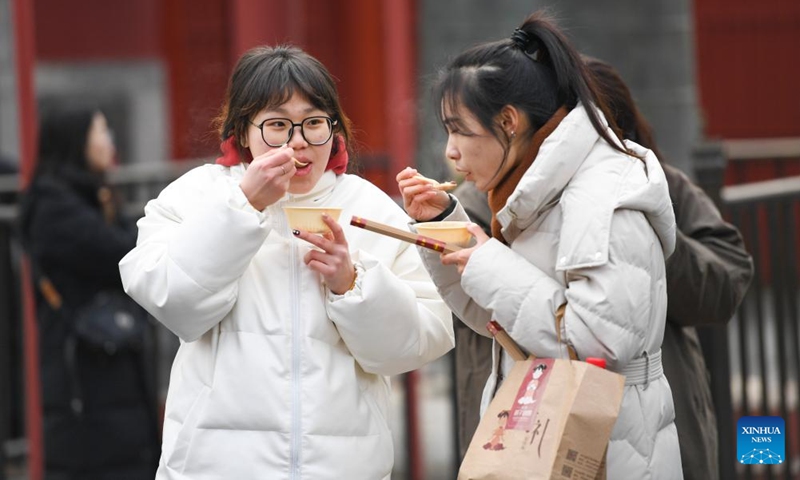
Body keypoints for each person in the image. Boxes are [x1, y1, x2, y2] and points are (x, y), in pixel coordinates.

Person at [118, 45, 454, 480]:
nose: (298, 141)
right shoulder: (196, 195)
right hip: (214, 466)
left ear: (334, 131)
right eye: (277, 125)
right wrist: (243, 207)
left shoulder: (368, 207)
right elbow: (174, 303)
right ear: (242, 132)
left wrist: (351, 284)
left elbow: (418, 341)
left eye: (314, 123)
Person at [397, 11, 682, 479]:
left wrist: (488, 261)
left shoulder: (603, 194)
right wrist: (444, 225)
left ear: (508, 121)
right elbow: (502, 321)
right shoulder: (535, 186)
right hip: (546, 431)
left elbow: (596, 341)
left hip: (611, 448)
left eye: (459, 130)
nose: (449, 151)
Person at [586, 57, 754, 480]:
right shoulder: (493, 207)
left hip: (663, 420)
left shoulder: (661, 188)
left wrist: (649, 240)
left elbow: (727, 284)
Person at [19, 103, 160, 479]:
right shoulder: (54, 206)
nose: (108, 140)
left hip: (108, 360)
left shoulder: (94, 195)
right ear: (76, 140)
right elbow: (124, 252)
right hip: (80, 372)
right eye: (99, 131)